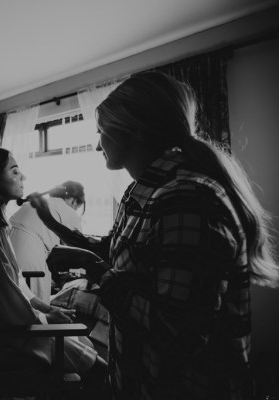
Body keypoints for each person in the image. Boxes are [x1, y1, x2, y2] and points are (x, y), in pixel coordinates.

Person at [28, 71, 279, 400]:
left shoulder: (186, 197)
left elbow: (179, 332)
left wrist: (97, 271)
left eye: (101, 132)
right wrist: (55, 224)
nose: (96, 143)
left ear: (134, 131)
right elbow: (122, 248)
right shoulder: (142, 190)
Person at [0, 146, 107, 382]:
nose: (24, 177)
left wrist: (48, 308)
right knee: (98, 369)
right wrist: (47, 319)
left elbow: (16, 284)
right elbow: (7, 305)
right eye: (15, 171)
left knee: (81, 343)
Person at [9, 181, 86, 302]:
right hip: (28, 257)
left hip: (6, 251)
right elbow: (78, 250)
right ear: (74, 200)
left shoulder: (33, 205)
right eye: (77, 207)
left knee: (15, 304)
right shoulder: (67, 210)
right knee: (32, 308)